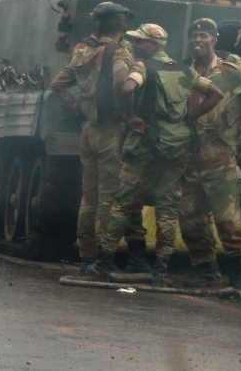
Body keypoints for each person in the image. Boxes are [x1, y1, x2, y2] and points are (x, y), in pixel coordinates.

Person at [87, 23, 223, 286]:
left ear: (154, 45)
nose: (136, 46)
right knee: (168, 208)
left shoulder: (143, 67)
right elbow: (215, 93)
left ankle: (103, 262)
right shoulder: (184, 70)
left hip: (145, 146)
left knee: (123, 203)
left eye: (140, 42)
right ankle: (160, 271)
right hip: (178, 145)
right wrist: (189, 117)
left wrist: (130, 117)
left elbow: (128, 88)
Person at [49, 2, 151, 275]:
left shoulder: (83, 49)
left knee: (89, 198)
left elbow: (58, 84)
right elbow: (121, 82)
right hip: (109, 130)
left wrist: (79, 104)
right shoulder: (119, 51)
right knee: (109, 197)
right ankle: (101, 259)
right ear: (123, 26)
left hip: (88, 129)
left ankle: (86, 255)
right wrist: (129, 116)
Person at [178, 19, 241, 292]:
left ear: (214, 39)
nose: (197, 41)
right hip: (189, 152)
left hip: (220, 150)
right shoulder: (183, 72)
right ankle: (204, 269)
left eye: (203, 36)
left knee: (228, 217)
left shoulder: (231, 69)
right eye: (193, 36)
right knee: (190, 215)